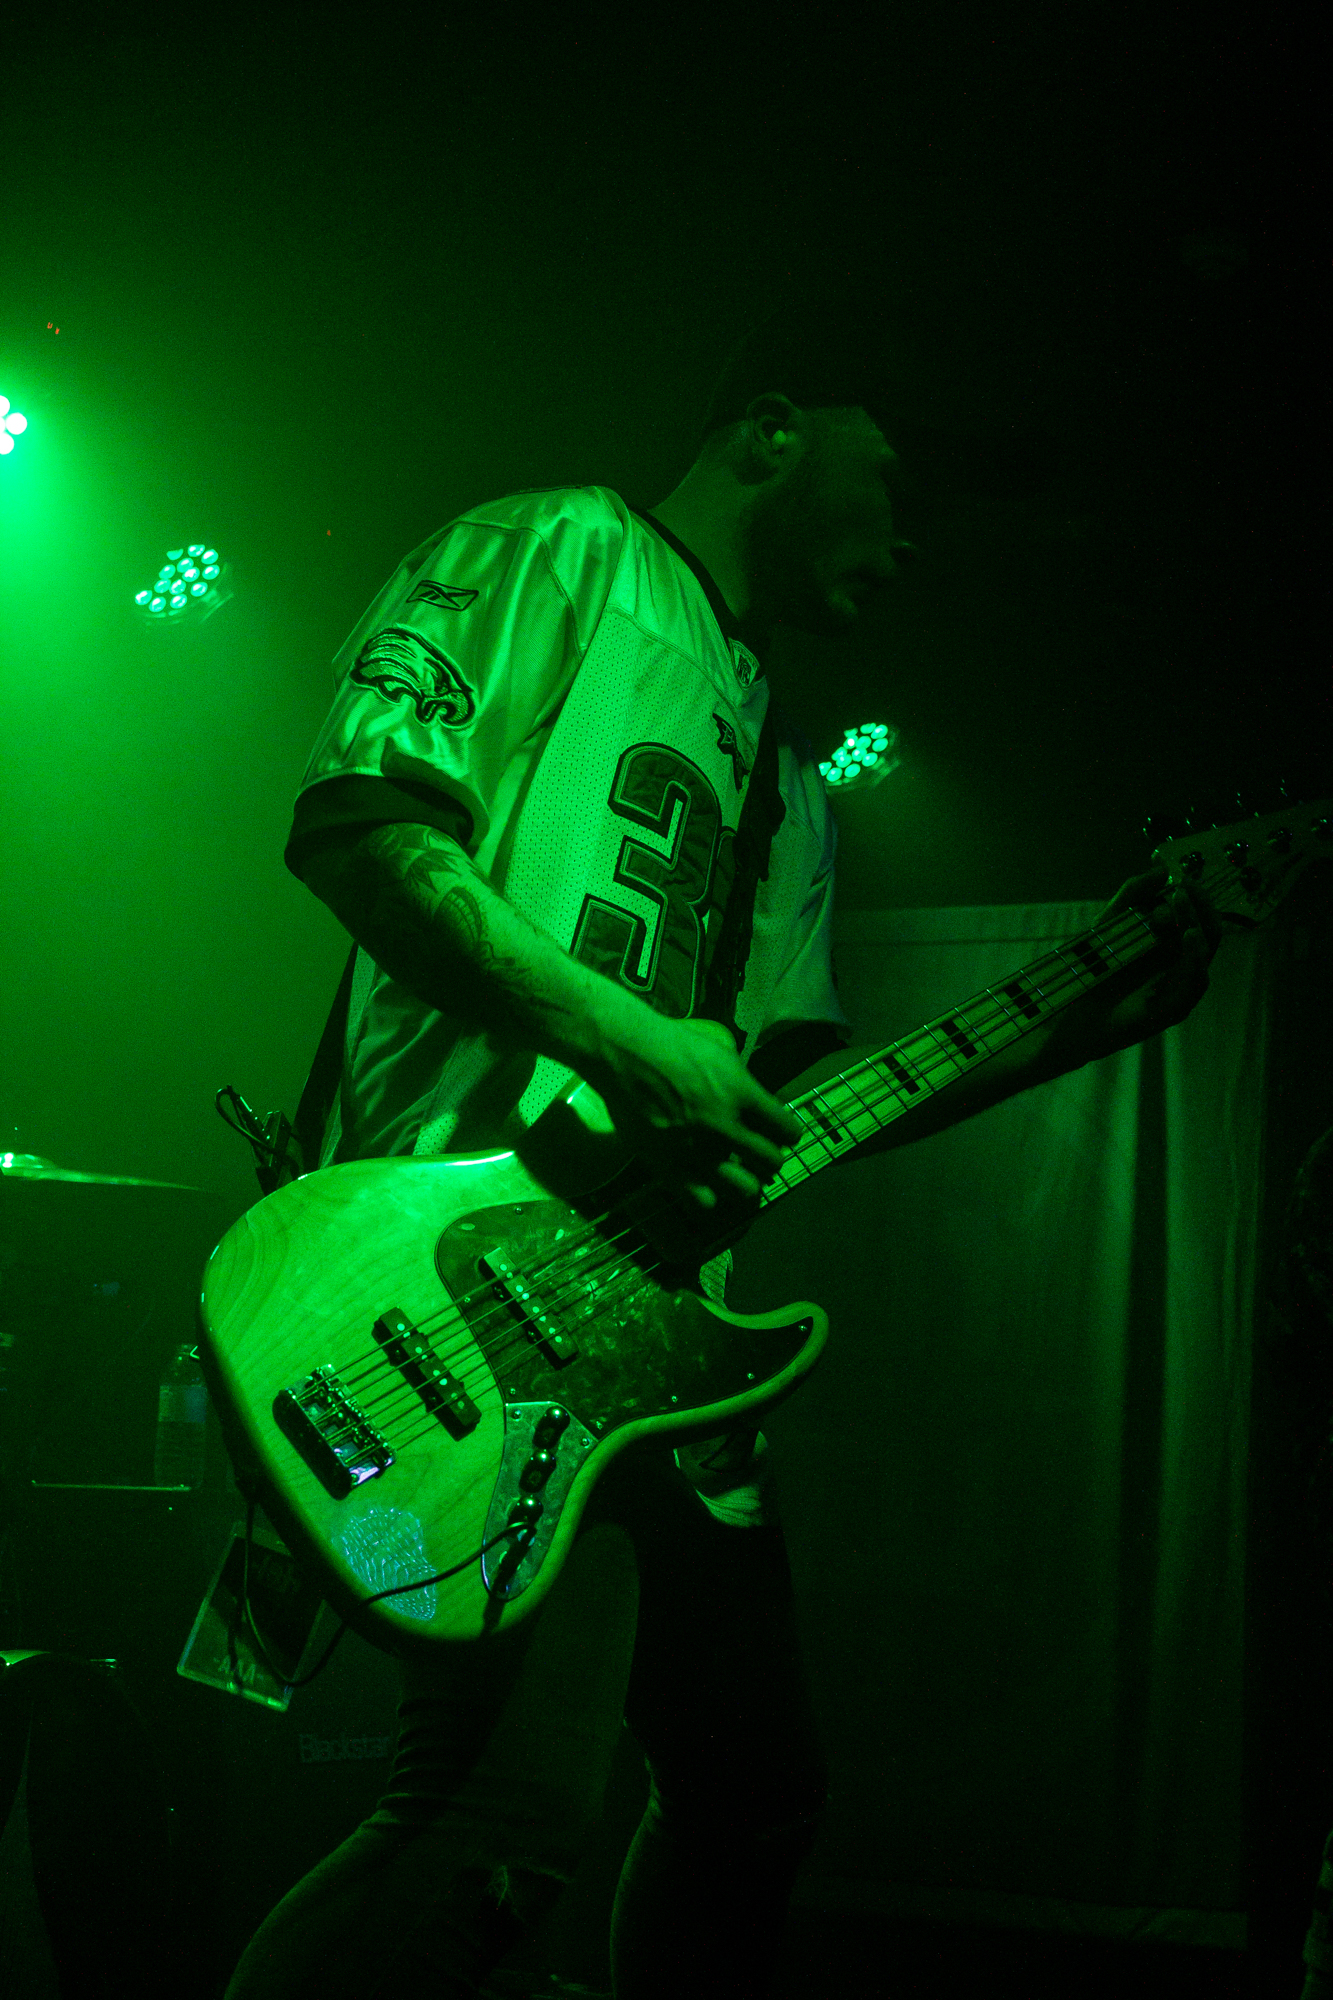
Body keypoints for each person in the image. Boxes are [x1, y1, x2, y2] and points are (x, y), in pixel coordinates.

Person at [225, 297, 1219, 2000]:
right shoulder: (556, 550)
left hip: (655, 1356)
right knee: (491, 1818)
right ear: (772, 428)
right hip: (454, 1286)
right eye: (897, 479)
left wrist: (1092, 1008)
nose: (912, 540)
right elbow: (362, 824)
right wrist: (626, 1044)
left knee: (753, 1800)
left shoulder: (793, 781)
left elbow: (791, 1113)